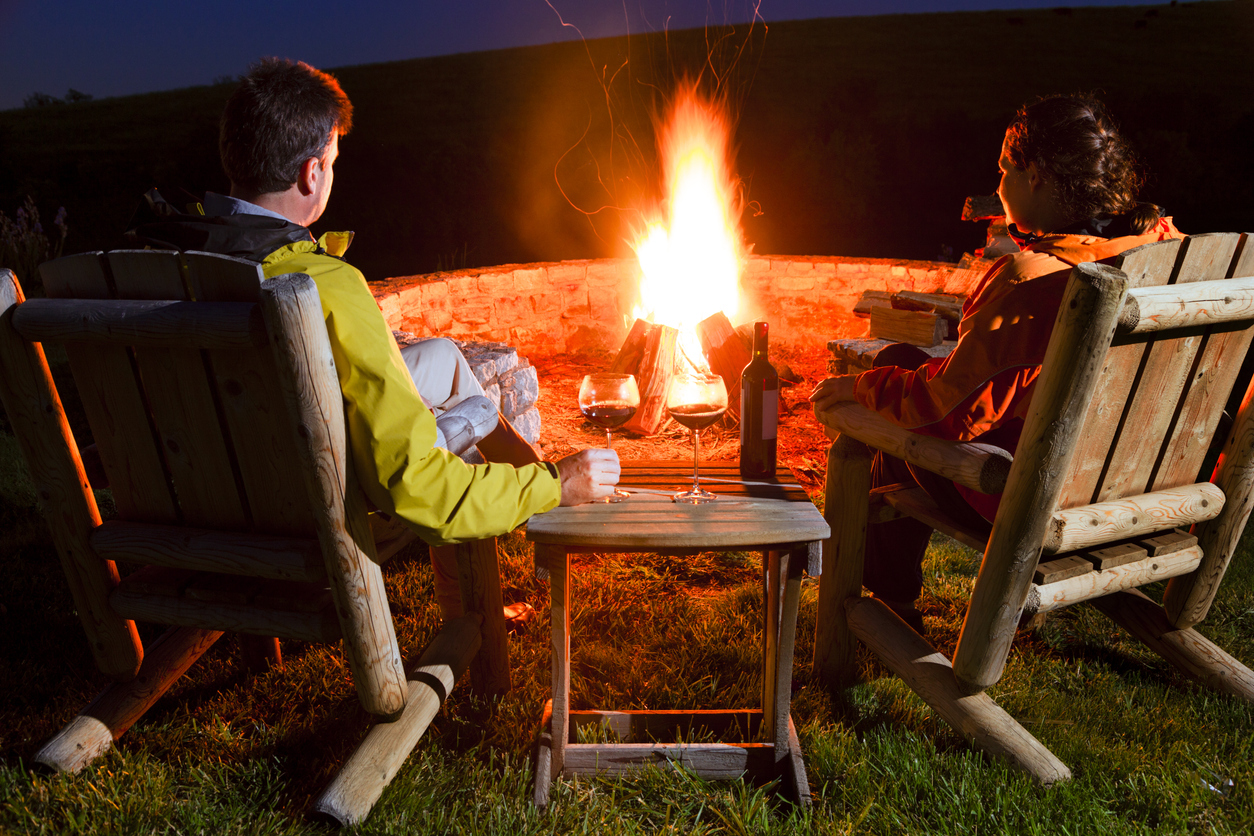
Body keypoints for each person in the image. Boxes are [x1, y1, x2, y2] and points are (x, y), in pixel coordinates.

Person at [128, 57, 620, 619]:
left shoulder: (164, 261)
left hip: (212, 493)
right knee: (476, 409)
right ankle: (535, 526)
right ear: (311, 173)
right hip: (313, 514)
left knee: (444, 360)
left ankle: (545, 511)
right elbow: (416, 489)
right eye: (333, 162)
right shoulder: (328, 287)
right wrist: (552, 484)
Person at [809, 94, 1183, 631]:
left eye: (1004, 168)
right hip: (1145, 491)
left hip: (1041, 506)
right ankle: (892, 591)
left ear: (1036, 176)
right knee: (900, 360)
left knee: (892, 412)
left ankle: (889, 603)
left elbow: (947, 413)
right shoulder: (1165, 249)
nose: (999, 183)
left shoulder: (1033, 280)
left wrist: (858, 390)